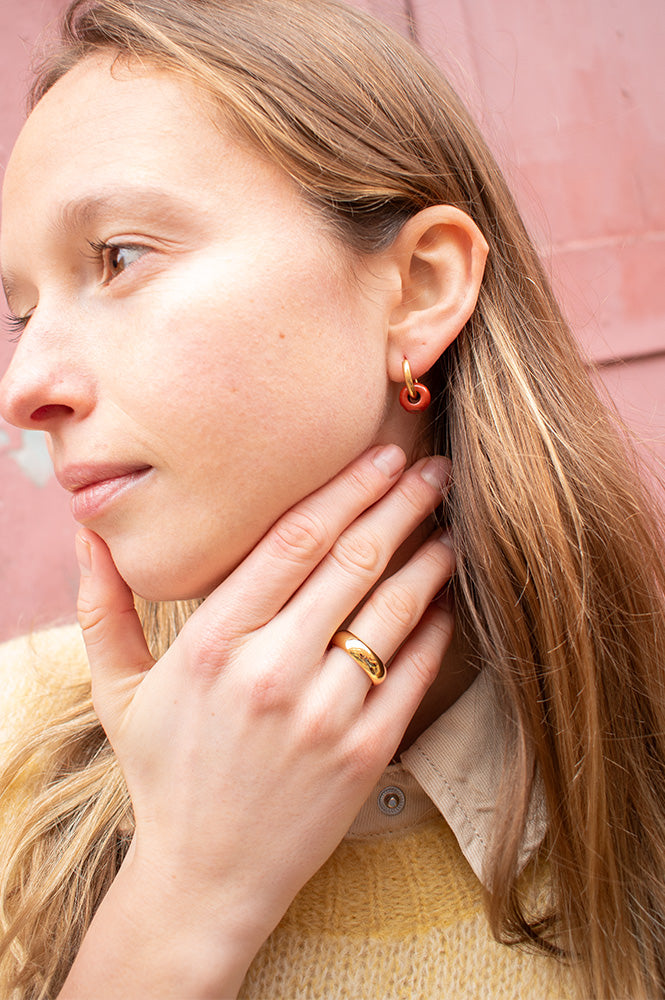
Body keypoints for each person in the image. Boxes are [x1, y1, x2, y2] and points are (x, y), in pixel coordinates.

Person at [0, 0, 664, 997]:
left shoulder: (640, 760)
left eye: (119, 257)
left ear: (420, 288)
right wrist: (180, 896)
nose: (24, 388)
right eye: (21, 310)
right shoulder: (13, 748)